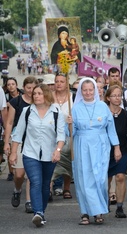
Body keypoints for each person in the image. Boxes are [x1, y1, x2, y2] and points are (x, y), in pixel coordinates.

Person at [9, 84, 65, 227]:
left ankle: (41, 211)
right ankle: (38, 213)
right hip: (30, 153)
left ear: (46, 95)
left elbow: (61, 136)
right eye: (35, 94)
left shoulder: (56, 112)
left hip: (50, 155)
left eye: (39, 93)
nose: (36, 96)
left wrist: (57, 151)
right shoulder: (27, 111)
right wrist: (14, 152)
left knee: (46, 186)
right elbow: (18, 133)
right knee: (35, 182)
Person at [69, 78, 120, 225]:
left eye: (90, 89)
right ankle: (85, 212)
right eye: (84, 90)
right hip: (82, 145)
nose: (88, 92)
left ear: (95, 91)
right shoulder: (76, 108)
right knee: (84, 179)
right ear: (80, 91)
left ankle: (98, 211)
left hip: (101, 145)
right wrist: (69, 124)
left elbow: (111, 129)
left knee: (100, 178)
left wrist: (116, 147)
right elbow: (71, 134)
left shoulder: (103, 107)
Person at [4, 76, 38, 213]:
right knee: (19, 174)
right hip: (19, 140)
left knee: (31, 173)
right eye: (28, 88)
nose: (31, 91)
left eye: (33, 88)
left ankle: (29, 201)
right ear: (24, 88)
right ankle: (17, 190)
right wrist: (7, 142)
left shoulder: (40, 101)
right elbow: (10, 122)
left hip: (34, 140)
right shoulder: (16, 102)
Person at [105, 84, 127, 218]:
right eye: (114, 95)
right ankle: (104, 203)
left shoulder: (126, 114)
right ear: (108, 98)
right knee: (106, 179)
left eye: (119, 95)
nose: (117, 98)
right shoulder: (103, 112)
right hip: (105, 151)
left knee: (121, 177)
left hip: (122, 149)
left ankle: (120, 207)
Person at [50, 74, 74, 200]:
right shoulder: (49, 97)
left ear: (67, 83)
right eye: (56, 81)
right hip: (51, 134)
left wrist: (72, 120)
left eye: (62, 81)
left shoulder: (72, 97)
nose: (59, 84)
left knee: (67, 161)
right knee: (51, 160)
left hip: (68, 133)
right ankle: (49, 186)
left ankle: (66, 188)